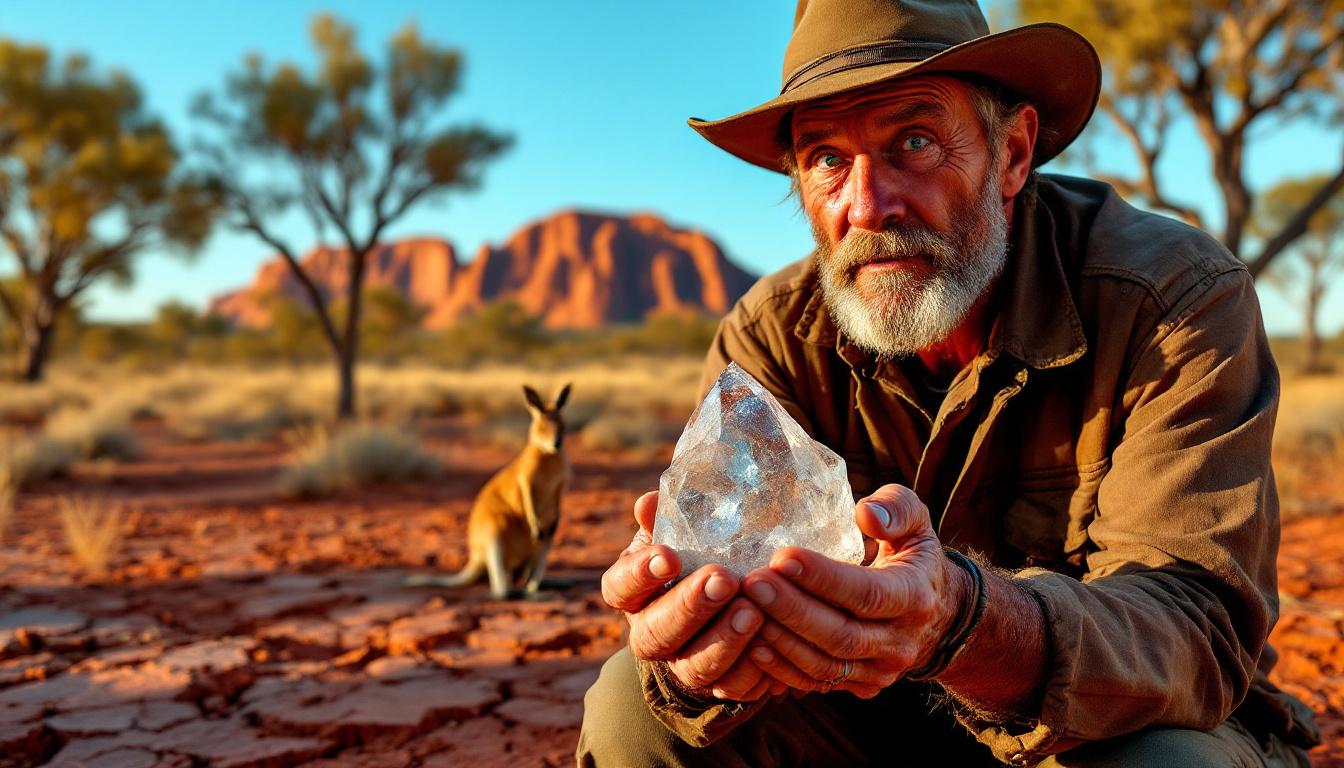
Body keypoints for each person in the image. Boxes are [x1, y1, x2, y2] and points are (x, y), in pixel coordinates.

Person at [577, 1, 1321, 765]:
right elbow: (705, 614)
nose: (868, 206)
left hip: (1086, 728)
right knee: (633, 711)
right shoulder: (770, 337)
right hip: (863, 721)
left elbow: (1195, 630)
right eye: (827, 159)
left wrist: (961, 620)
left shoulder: (1171, 301)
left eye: (915, 140)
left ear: (1013, 155)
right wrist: (691, 650)